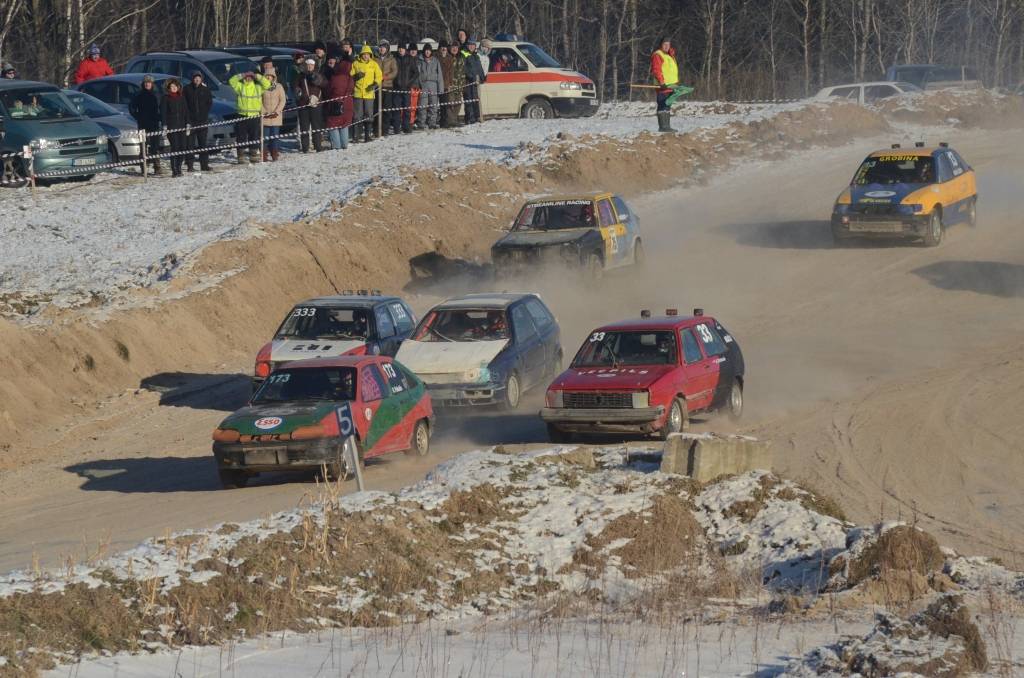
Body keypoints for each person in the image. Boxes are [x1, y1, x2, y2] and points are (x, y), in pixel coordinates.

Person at [228, 70, 270, 164]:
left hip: (254, 116)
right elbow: (231, 81)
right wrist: (242, 74)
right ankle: (241, 157)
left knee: (254, 136)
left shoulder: (257, 87)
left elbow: (267, 84)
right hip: (242, 115)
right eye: (247, 77)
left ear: (252, 78)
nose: (248, 78)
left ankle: (253, 156)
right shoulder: (240, 86)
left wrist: (256, 75)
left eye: (250, 77)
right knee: (241, 137)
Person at [129, 75, 162, 175]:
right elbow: (131, 107)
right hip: (143, 124)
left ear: (152, 84)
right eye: (146, 82)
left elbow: (162, 107)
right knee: (143, 146)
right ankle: (144, 168)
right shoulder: (138, 95)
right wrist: (138, 116)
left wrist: (160, 117)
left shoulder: (157, 95)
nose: (147, 84)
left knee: (155, 147)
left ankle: (157, 167)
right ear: (143, 84)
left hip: (154, 124)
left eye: (149, 82)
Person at [293, 57, 325, 152]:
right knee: (304, 127)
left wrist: (318, 80)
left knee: (316, 126)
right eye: (308, 65)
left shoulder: (319, 74)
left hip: (316, 104)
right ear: (305, 65)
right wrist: (298, 91)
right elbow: (295, 85)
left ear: (314, 66)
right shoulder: (301, 76)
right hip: (303, 104)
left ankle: (318, 146)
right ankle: (305, 147)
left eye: (311, 65)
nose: (309, 66)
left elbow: (325, 85)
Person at [351, 44, 382, 143]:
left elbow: (379, 76)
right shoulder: (355, 63)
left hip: (369, 93)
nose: (366, 56)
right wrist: (356, 76)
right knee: (357, 115)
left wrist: (374, 84)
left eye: (368, 54)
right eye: (364, 54)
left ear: (370, 55)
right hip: (358, 93)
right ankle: (356, 135)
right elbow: (350, 76)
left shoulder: (374, 64)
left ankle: (367, 135)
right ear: (361, 54)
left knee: (369, 114)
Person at [183, 71, 213, 173]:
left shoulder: (205, 89)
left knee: (203, 144)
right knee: (190, 145)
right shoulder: (187, 89)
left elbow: (209, 102)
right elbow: (184, 104)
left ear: (201, 79)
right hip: (191, 122)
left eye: (199, 78)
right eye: (195, 78)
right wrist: (187, 118)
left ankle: (204, 165)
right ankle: (190, 165)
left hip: (202, 121)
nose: (197, 79)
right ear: (192, 79)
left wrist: (204, 113)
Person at [323, 57, 353, 150]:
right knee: (344, 123)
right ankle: (344, 144)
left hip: (335, 104)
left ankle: (336, 146)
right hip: (348, 103)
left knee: (332, 124)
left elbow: (328, 91)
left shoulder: (335, 78)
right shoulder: (350, 78)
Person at [650, 36, 679, 132]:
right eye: (664, 44)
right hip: (662, 86)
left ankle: (667, 126)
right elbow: (656, 70)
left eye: (668, 44)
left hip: (671, 86)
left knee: (667, 105)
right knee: (662, 104)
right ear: (661, 45)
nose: (666, 46)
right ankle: (663, 127)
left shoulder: (670, 55)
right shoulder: (658, 55)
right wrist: (661, 82)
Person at [160, 78, 188, 177]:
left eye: (175, 86)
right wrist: (164, 125)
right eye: (172, 86)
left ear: (178, 87)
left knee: (183, 147)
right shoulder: (165, 98)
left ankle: (179, 167)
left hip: (182, 126)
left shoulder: (182, 97)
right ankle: (174, 169)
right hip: (171, 126)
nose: (174, 88)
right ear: (168, 88)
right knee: (175, 147)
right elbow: (163, 113)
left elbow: (186, 111)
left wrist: (188, 123)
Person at [394, 42, 421, 133]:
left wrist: (409, 83)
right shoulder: (395, 58)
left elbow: (416, 73)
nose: (400, 50)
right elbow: (392, 71)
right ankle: (396, 128)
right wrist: (394, 81)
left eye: (402, 48)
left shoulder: (410, 59)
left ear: (405, 50)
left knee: (407, 108)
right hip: (397, 88)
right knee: (396, 109)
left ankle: (406, 126)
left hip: (406, 88)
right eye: (399, 48)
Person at [261, 69, 286, 161]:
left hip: (276, 117)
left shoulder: (279, 87)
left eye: (270, 76)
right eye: (267, 76)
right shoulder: (261, 87)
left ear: (273, 77)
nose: (268, 77)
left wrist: (277, 111)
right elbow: (259, 101)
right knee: (265, 138)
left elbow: (282, 100)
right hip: (265, 117)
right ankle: (264, 155)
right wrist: (264, 112)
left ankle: (274, 154)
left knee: (275, 137)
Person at [417, 43, 442, 130]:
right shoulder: (420, 60)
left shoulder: (436, 61)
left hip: (433, 85)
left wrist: (440, 88)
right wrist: (419, 84)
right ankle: (421, 123)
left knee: (433, 105)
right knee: (422, 105)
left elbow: (439, 75)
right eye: (426, 50)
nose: (427, 52)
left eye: (429, 50)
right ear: (424, 51)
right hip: (423, 85)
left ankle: (432, 123)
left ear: (431, 51)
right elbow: (418, 74)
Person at [462, 37, 486, 124]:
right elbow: (463, 68)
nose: (471, 46)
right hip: (468, 82)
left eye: (473, 45)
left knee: (476, 99)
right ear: (467, 45)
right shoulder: (464, 54)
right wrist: (470, 76)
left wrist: (482, 77)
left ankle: (477, 116)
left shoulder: (476, 56)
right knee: (469, 100)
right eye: (470, 45)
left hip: (476, 82)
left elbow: (479, 68)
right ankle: (470, 118)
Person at [378, 41, 398, 135]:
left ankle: (385, 129)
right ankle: (377, 129)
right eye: (381, 47)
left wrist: (385, 77)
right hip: (377, 87)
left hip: (388, 86)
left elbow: (394, 72)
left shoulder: (391, 59)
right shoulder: (375, 58)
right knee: (377, 109)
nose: (382, 49)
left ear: (387, 49)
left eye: (384, 47)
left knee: (386, 109)